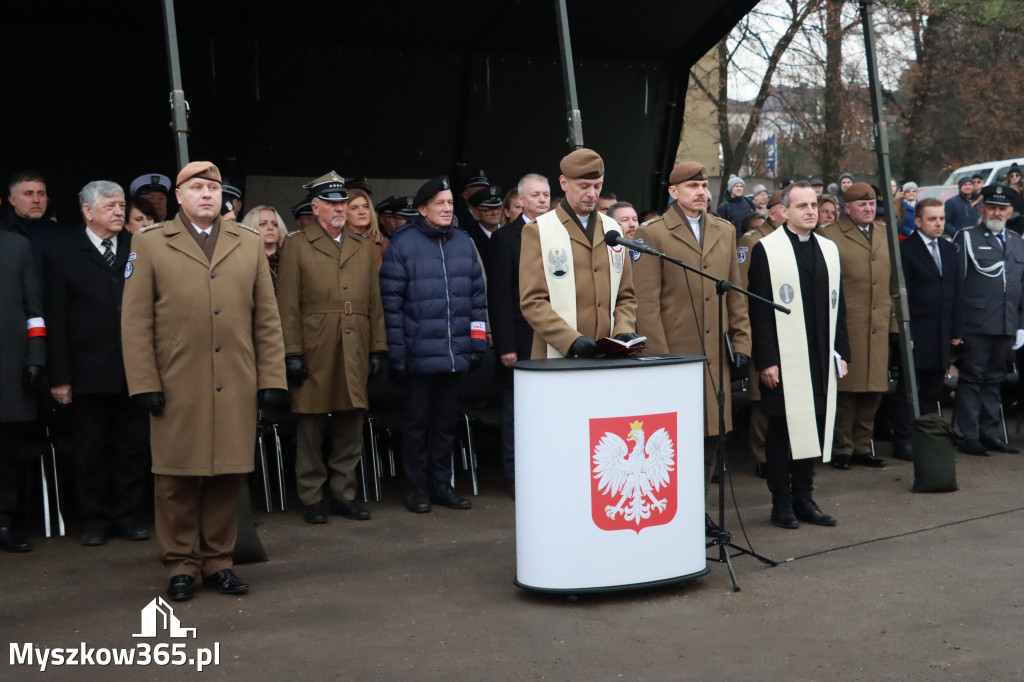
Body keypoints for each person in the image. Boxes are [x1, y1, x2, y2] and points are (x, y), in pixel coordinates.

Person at [121, 161, 288, 601]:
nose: (207, 195)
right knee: (175, 477)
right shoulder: (150, 242)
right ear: (179, 196)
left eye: (213, 188)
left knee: (226, 475)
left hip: (235, 378)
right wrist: (143, 382)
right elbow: (135, 320)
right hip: (177, 381)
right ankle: (180, 564)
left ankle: (219, 561)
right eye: (197, 188)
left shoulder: (247, 243)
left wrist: (272, 377)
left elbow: (267, 318)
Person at [277, 172, 387, 524]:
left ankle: (343, 494)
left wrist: (377, 348)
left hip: (355, 340)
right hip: (315, 343)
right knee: (310, 423)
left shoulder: (360, 244)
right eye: (333, 203)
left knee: (350, 421)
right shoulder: (296, 244)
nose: (340, 208)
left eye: (343, 202)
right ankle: (311, 497)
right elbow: (287, 304)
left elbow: (374, 300)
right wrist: (291, 352)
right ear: (316, 207)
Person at [44, 181, 150, 546]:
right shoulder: (64, 252)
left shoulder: (140, 247)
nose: (120, 211)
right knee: (91, 449)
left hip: (135, 368)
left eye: (122, 205)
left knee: (132, 447)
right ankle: (94, 519)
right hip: (87, 371)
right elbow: (55, 319)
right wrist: (59, 377)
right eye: (111, 206)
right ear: (88, 211)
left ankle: (126, 515)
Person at [634, 161, 751, 488]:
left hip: (715, 355)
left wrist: (741, 343)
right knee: (675, 437)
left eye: (704, 186)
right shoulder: (653, 232)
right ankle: (679, 511)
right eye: (692, 187)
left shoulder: (724, 230)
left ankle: (701, 511)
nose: (701, 192)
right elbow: (646, 302)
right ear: (673, 192)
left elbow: (735, 294)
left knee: (712, 432)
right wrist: (659, 357)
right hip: (677, 353)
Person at [380, 175, 486, 514]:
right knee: (416, 424)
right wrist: (397, 353)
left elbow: (478, 298)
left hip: (454, 353)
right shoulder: (402, 243)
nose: (446, 208)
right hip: (417, 355)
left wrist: (478, 340)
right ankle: (416, 488)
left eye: (451, 203)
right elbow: (391, 305)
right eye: (439, 203)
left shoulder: (464, 242)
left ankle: (442, 484)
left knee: (445, 422)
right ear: (422, 209)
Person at [747, 181, 849, 528]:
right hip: (784, 359)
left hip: (819, 356)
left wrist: (841, 351)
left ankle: (805, 498)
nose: (810, 211)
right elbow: (758, 312)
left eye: (814, 205)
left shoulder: (828, 249)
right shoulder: (767, 250)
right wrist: (767, 361)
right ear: (784, 211)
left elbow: (840, 306)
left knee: (813, 426)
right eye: (802, 206)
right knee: (782, 430)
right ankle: (782, 503)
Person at [519, 148, 638, 359]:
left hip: (607, 357)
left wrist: (622, 330)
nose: (592, 194)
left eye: (597, 186)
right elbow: (533, 301)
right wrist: (571, 340)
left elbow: (625, 295)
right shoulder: (539, 230)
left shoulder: (612, 229)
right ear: (564, 183)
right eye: (584, 187)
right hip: (557, 355)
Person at [819, 182, 895, 469]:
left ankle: (863, 446)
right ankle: (842, 449)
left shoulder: (884, 234)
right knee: (846, 392)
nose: (868, 208)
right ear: (846, 208)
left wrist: (895, 325)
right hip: (847, 325)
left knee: (874, 389)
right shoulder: (830, 235)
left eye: (872, 203)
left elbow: (893, 284)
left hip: (878, 325)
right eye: (861, 204)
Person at [951, 185, 1024, 455]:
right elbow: (956, 284)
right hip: (975, 323)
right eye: (991, 207)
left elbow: (1020, 285)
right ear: (982, 209)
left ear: (1010, 212)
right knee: (972, 379)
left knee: (995, 379)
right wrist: (957, 326)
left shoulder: (1017, 240)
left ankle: (990, 433)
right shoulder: (967, 236)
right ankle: (969, 436)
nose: (996, 212)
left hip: (1006, 322)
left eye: (1002, 208)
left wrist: (1021, 325)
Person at [488, 173, 550, 489]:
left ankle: (548, 473)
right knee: (517, 415)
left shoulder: (559, 233)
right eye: (535, 195)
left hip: (553, 339)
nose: (542, 200)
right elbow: (498, 297)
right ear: (520, 200)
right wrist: (505, 346)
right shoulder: (505, 239)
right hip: (520, 340)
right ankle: (516, 479)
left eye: (546, 195)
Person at [891, 198, 962, 459]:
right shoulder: (906, 250)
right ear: (918, 221)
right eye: (932, 219)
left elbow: (955, 291)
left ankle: (928, 436)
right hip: (917, 332)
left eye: (941, 219)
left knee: (933, 388)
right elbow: (901, 293)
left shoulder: (949, 249)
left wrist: (956, 329)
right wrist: (903, 331)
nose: (938, 223)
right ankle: (904, 440)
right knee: (908, 389)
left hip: (942, 331)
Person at [0, 228, 44, 553]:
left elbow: (35, 311)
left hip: (8, 368)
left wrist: (36, 357)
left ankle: (3, 524)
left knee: (6, 456)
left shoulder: (18, 247)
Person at [736, 209, 777, 478]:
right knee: (763, 397)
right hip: (760, 322)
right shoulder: (752, 241)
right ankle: (762, 456)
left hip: (786, 326)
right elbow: (743, 285)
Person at [241, 205, 287, 287]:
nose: (270, 228)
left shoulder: (290, 257)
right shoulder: (242, 258)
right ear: (250, 227)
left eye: (275, 224)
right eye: (263, 224)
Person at [346, 188, 389, 271]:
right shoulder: (336, 242)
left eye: (366, 207)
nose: (362, 212)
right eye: (354, 208)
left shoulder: (383, 243)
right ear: (344, 214)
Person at [464, 184, 504, 268]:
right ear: (476, 214)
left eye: (497, 208)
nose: (495, 213)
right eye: (488, 210)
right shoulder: (469, 239)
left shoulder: (510, 233)